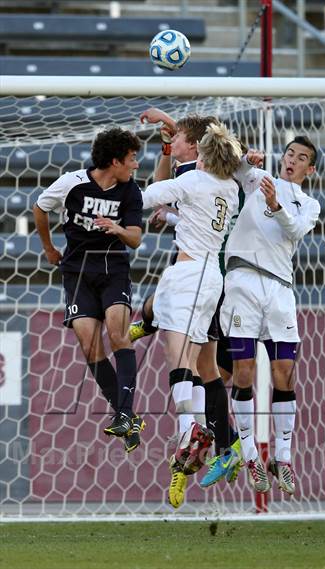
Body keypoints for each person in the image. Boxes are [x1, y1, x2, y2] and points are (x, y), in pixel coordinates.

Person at [131, 108, 244, 488]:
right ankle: (215, 442)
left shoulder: (194, 177)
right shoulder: (227, 184)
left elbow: (147, 196)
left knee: (179, 357)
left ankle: (192, 431)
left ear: (199, 149)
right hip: (211, 276)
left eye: (178, 137)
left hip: (193, 272)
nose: (173, 141)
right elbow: (184, 201)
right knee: (202, 365)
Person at [33, 127, 145, 453]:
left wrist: (117, 228)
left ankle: (123, 412)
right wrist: (48, 248)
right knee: (89, 344)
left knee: (117, 332)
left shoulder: (131, 192)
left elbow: (136, 239)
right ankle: (128, 416)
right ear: (114, 161)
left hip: (113, 268)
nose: (136, 165)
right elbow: (40, 208)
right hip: (78, 271)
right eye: (132, 159)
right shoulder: (73, 183)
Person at [220, 135, 321, 494]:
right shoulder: (259, 178)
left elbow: (293, 229)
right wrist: (247, 158)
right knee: (243, 372)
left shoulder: (309, 204)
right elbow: (236, 168)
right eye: (290, 153)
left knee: (285, 374)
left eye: (301, 157)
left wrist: (277, 205)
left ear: (310, 169)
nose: (292, 160)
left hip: (280, 289)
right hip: (243, 280)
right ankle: (250, 456)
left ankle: (283, 458)